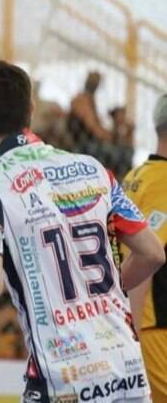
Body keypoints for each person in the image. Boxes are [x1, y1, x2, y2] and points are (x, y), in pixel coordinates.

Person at [0, 61, 165, 403]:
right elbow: (153, 252)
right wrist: (98, 294)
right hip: (125, 367)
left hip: (63, 375)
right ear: (31, 109)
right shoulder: (94, 170)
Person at [121, 94, 167, 402]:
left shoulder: (135, 176)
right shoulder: (163, 182)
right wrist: (132, 337)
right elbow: (146, 258)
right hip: (153, 328)